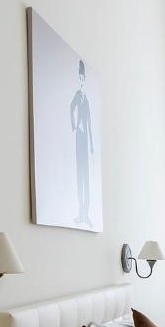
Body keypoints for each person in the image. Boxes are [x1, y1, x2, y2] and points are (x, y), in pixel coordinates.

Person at [70, 59, 93, 226]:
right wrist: (74, 126)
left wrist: (92, 145)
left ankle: (86, 212)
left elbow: (90, 124)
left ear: (85, 78)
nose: (81, 80)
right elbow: (71, 108)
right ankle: (80, 212)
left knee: (86, 177)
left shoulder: (88, 100)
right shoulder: (77, 96)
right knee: (80, 176)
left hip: (85, 141)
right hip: (79, 138)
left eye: (83, 77)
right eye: (79, 77)